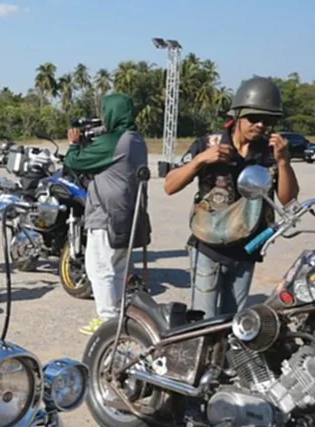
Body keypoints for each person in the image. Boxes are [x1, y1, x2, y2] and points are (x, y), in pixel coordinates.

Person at [165, 76, 299, 318]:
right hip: (208, 246)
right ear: (237, 116)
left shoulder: (270, 153)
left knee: (234, 320)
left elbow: (288, 199)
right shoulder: (208, 144)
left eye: (268, 120)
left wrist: (283, 161)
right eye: (254, 118)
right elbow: (170, 186)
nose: (260, 125)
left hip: (247, 248)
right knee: (203, 318)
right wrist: (200, 160)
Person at [63, 93, 150, 335]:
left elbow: (74, 161)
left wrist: (74, 143)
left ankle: (107, 324)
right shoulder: (136, 139)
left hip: (107, 217)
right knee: (118, 270)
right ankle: (118, 317)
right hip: (127, 214)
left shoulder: (115, 141)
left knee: (99, 269)